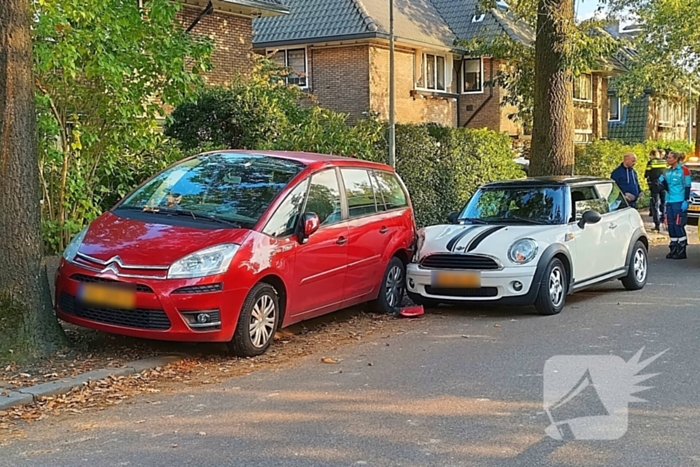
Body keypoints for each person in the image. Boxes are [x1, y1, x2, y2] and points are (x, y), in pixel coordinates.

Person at [659, 151, 692, 259]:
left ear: (675, 159)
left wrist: (686, 200)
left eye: (669, 158)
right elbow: (664, 186)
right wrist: (661, 182)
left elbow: (687, 186)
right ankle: (673, 249)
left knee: (678, 225)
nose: (667, 160)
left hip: (679, 201)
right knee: (671, 225)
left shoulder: (684, 171)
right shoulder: (667, 171)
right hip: (669, 201)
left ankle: (681, 250)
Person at [644, 149, 667, 232]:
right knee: (664, 204)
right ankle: (664, 221)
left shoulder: (651, 162)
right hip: (664, 185)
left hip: (655, 185)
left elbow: (646, 174)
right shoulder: (664, 162)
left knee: (655, 205)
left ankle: (657, 225)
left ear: (652, 155)